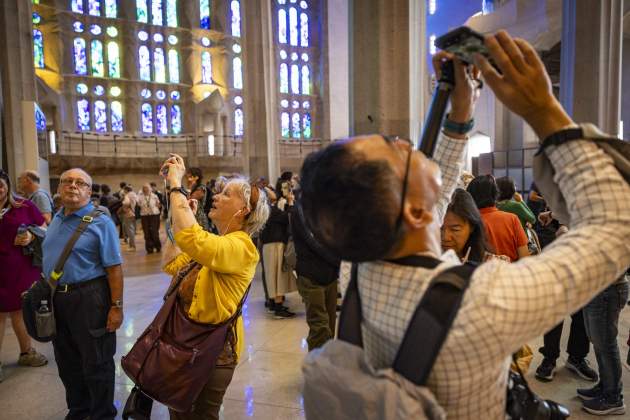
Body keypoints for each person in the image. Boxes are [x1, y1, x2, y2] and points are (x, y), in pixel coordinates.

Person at [298, 32, 630, 418]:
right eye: (397, 148)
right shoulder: (481, 303)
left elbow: (428, 192)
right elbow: (618, 224)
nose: (409, 145)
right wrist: (543, 110)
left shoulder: (360, 267)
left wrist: (459, 113)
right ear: (416, 215)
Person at [160, 153, 269, 420]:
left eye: (226, 194)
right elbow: (172, 263)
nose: (217, 197)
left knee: (200, 415)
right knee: (180, 412)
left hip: (212, 353)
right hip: (185, 344)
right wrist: (185, 218)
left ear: (243, 210)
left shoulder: (241, 246)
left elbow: (193, 239)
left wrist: (176, 185)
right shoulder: (215, 243)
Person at [42, 168, 124, 420]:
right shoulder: (56, 218)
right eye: (67, 181)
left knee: (96, 362)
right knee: (67, 362)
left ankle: (101, 414)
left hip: (89, 298)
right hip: (59, 299)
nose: (72, 186)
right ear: (59, 189)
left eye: (80, 183)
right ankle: (78, 411)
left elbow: (114, 268)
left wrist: (116, 306)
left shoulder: (100, 221)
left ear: (89, 191)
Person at [0, 170, 48, 381]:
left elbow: (44, 226)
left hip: (20, 267)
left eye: (0, 185)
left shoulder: (23, 206)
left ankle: (26, 352)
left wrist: (31, 235)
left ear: (7, 186)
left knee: (20, 309)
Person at [291, 197, 341, 350]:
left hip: (330, 275)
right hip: (311, 276)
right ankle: (316, 369)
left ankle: (324, 364)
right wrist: (340, 259)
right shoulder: (301, 207)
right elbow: (314, 241)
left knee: (330, 326)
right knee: (320, 327)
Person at [577, 272, 629, 414]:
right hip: (596, 288)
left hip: (609, 288)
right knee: (598, 342)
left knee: (606, 344)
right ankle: (606, 386)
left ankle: (613, 398)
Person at [466, 174, 529, 261]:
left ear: (470, 196)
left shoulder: (468, 222)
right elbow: (525, 257)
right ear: (496, 194)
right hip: (510, 272)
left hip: (479, 273)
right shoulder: (512, 219)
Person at [260, 187, 297, 318]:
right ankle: (278, 307)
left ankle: (276, 304)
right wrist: (291, 202)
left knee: (274, 276)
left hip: (271, 244)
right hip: (274, 245)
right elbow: (289, 218)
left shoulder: (266, 208)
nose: (273, 191)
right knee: (277, 276)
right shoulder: (270, 209)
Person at [441, 188, 505, 263]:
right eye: (439, 229)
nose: (445, 237)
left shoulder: (488, 264)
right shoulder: (427, 261)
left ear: (472, 227)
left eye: (455, 229)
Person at [137, 183, 162, 254]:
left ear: (150, 189)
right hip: (144, 216)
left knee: (154, 232)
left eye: (147, 188)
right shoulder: (140, 197)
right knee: (147, 233)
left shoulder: (155, 196)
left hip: (154, 215)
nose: (146, 189)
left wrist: (158, 206)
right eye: (144, 188)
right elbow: (138, 205)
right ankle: (149, 248)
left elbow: (159, 205)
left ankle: (158, 246)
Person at [185, 167, 210, 231]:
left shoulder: (201, 188)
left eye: (190, 176)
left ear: (196, 177)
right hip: (192, 216)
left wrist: (189, 187)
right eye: (187, 177)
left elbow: (190, 199)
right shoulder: (193, 188)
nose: (188, 179)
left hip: (199, 219)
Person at [120, 185, 138, 251]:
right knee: (132, 230)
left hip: (128, 213)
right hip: (133, 213)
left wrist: (122, 204)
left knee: (130, 231)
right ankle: (132, 245)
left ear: (126, 190)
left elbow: (126, 202)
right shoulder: (134, 194)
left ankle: (132, 246)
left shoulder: (127, 195)